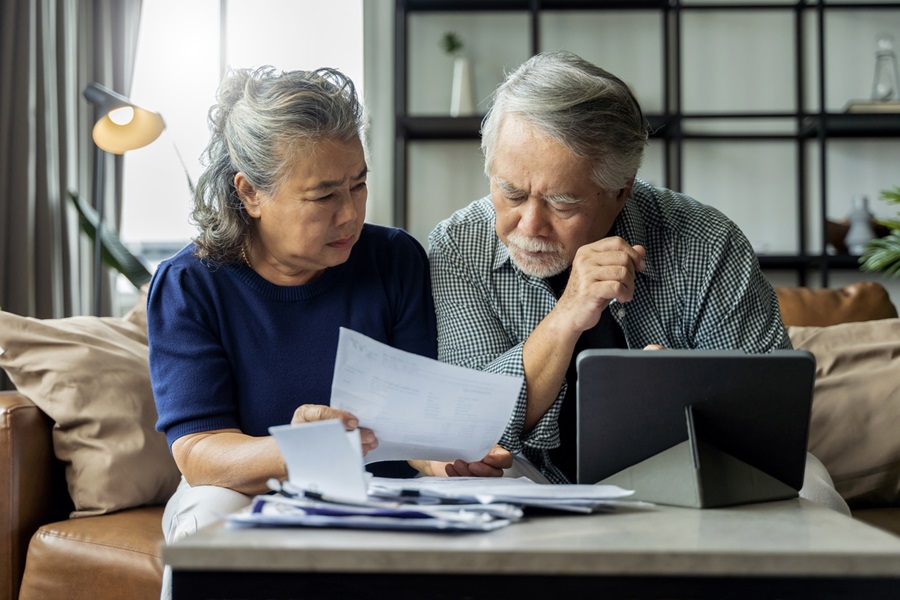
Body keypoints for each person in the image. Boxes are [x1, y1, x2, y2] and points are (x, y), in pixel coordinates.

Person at [428, 50, 849, 513]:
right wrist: (568, 314)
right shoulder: (457, 246)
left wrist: (683, 394)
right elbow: (467, 425)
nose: (529, 226)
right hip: (527, 472)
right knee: (464, 490)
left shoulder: (707, 242)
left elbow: (773, 418)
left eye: (562, 203)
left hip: (689, 464)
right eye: (511, 193)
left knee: (813, 490)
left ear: (621, 189)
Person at [148, 66, 507, 598]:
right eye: (323, 197)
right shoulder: (190, 284)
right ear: (250, 193)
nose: (351, 214)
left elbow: (412, 428)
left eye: (359, 184)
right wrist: (300, 450)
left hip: (379, 490)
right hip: (244, 490)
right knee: (208, 521)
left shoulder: (394, 259)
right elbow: (198, 454)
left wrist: (449, 459)